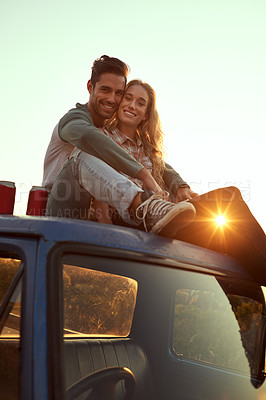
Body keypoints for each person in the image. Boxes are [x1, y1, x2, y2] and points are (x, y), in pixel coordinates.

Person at [44, 55, 196, 237]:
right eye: (105, 90)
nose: (112, 99)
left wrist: (179, 185)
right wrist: (144, 175)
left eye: (118, 93)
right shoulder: (74, 120)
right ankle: (144, 205)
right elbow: (89, 138)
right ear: (90, 87)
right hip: (63, 208)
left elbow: (158, 163)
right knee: (81, 157)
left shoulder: (116, 136)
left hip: (94, 218)